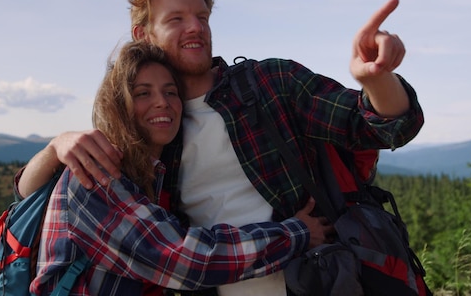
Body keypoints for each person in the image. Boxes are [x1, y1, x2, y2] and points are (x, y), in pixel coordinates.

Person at [18, 0, 424, 296]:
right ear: (144, 34)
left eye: (202, 17)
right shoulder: (150, 126)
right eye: (176, 19)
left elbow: (379, 126)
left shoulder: (269, 83)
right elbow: (34, 191)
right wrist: (56, 146)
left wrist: (376, 79)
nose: (195, 27)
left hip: (317, 281)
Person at [30, 40, 333, 295]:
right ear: (118, 105)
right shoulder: (96, 174)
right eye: (143, 93)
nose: (162, 102)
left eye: (170, 91)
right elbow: (184, 258)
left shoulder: (151, 175)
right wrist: (297, 233)